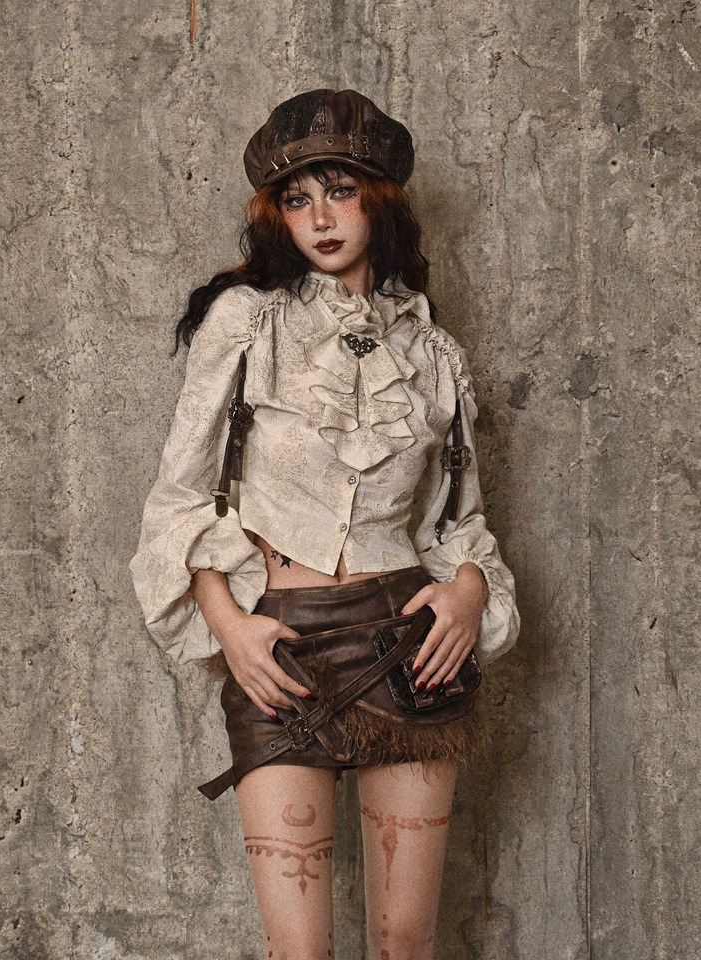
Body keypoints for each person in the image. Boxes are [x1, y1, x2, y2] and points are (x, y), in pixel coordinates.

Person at [131, 88, 519, 960]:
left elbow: (460, 522)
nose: (320, 217)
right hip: (282, 655)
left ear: (380, 202)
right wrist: (232, 630)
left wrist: (467, 594)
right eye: (298, 198)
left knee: (405, 942)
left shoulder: (433, 352)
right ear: (277, 215)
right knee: (299, 951)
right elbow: (182, 501)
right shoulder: (245, 324)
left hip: (412, 653)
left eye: (340, 191)